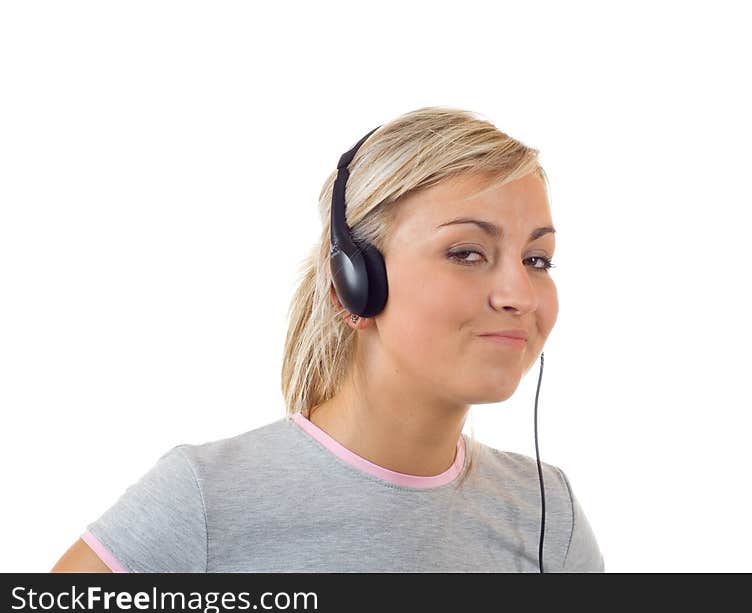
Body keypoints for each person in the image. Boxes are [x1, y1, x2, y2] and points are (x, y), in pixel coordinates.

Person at [51, 107, 604, 573]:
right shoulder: (203, 499)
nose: (520, 296)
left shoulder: (547, 512)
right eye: (466, 253)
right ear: (354, 286)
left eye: (538, 260)